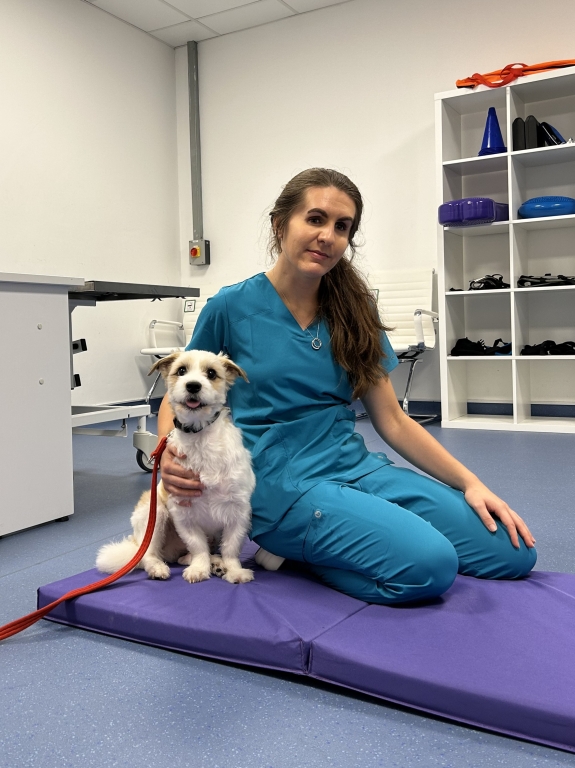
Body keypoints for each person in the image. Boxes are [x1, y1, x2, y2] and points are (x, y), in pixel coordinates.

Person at [156, 168, 536, 605]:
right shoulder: (230, 306)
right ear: (281, 225)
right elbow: (180, 385)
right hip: (278, 484)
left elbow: (392, 420)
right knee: (430, 567)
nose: (328, 236)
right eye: (315, 219)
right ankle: (292, 548)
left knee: (511, 553)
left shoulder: (355, 310)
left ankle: (321, 544)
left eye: (342, 227)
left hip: (353, 467)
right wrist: (168, 449)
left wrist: (472, 483)